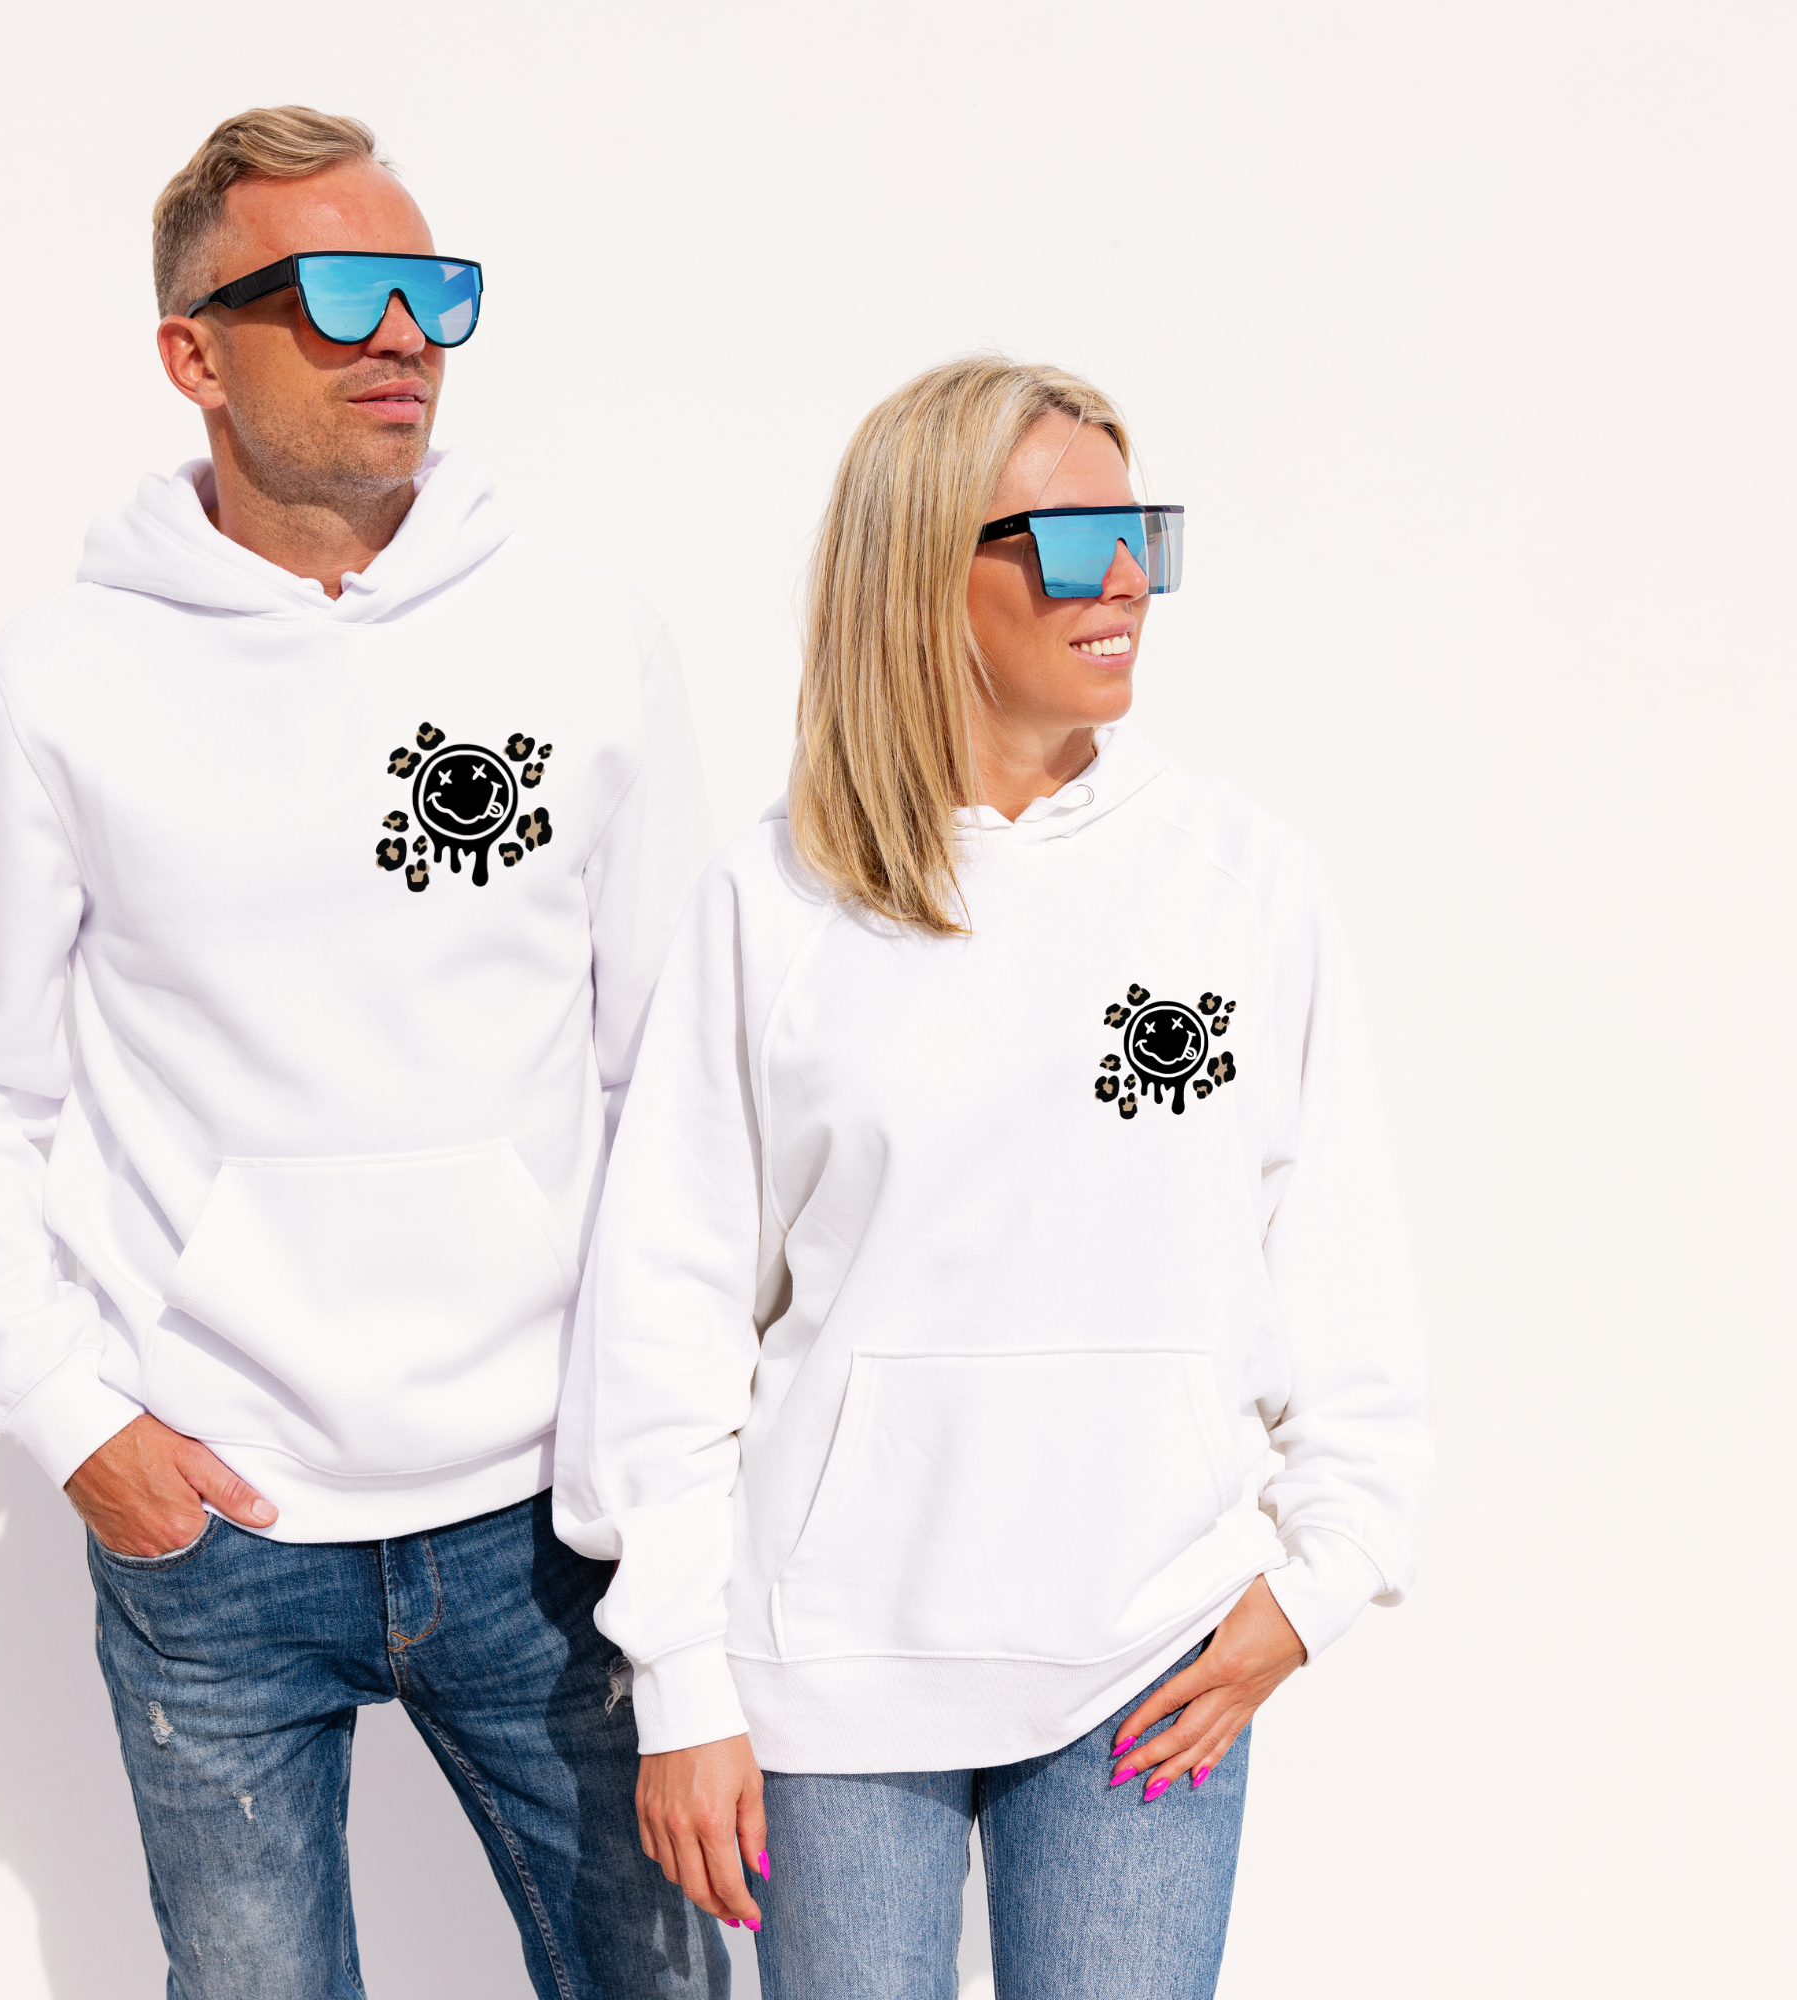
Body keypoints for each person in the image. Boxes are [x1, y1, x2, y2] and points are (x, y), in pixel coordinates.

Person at [0, 106, 726, 2000]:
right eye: (340, 294)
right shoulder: (60, 683)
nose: (402, 335)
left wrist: (672, 1486)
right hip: (222, 1532)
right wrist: (78, 1426)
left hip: (546, 1514)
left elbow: (676, 1093)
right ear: (194, 354)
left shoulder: (585, 641)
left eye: (432, 291)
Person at [553, 357, 1431, 1998]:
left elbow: (1337, 1257)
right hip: (833, 1672)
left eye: (1143, 535)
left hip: (1150, 1654)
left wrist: (1323, 1578)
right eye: (1073, 539)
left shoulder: (1242, 882)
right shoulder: (779, 900)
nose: (1124, 580)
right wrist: (679, 1675)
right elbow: (666, 1310)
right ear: (922, 569)